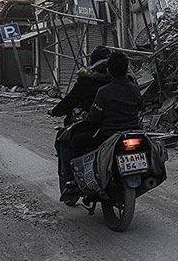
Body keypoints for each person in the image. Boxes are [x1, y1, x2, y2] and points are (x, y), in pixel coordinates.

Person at [50, 46, 111, 198]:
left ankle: (70, 180)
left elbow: (71, 100)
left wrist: (55, 111)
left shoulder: (87, 81)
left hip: (95, 127)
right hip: (124, 127)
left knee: (65, 141)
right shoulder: (124, 81)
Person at [71, 51, 143, 158]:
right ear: (127, 69)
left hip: (109, 134)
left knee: (77, 141)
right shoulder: (135, 89)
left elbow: (94, 117)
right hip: (133, 132)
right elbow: (140, 107)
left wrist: (84, 116)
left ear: (108, 70)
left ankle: (82, 169)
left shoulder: (103, 91)